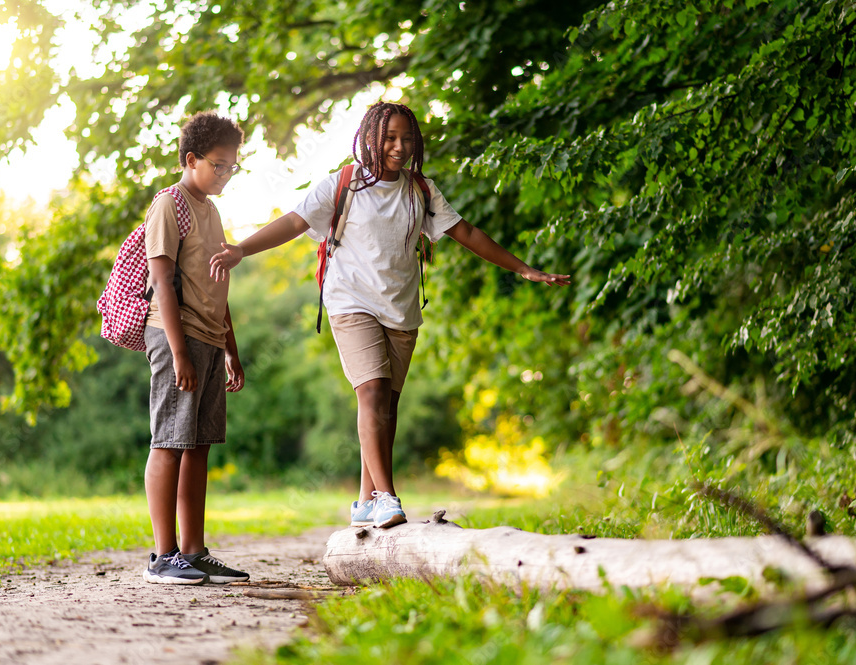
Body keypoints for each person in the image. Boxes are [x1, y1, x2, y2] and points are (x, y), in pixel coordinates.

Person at [209, 101, 570, 529]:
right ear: (370, 138)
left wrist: (524, 268)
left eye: (407, 138)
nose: (399, 146)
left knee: (387, 407)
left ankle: (365, 500)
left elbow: (466, 232)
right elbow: (292, 222)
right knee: (374, 393)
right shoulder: (342, 184)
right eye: (390, 137)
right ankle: (386, 496)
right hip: (350, 302)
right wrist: (242, 250)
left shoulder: (421, 190)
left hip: (400, 309)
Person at [141, 111, 251, 584]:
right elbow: (162, 281)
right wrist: (179, 351)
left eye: (232, 167)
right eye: (219, 166)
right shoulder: (170, 204)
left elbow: (217, 283)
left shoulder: (212, 209)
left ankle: (193, 550)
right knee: (170, 440)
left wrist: (231, 347)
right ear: (191, 159)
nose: (226, 174)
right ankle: (163, 556)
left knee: (199, 444)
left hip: (208, 337)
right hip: (176, 336)